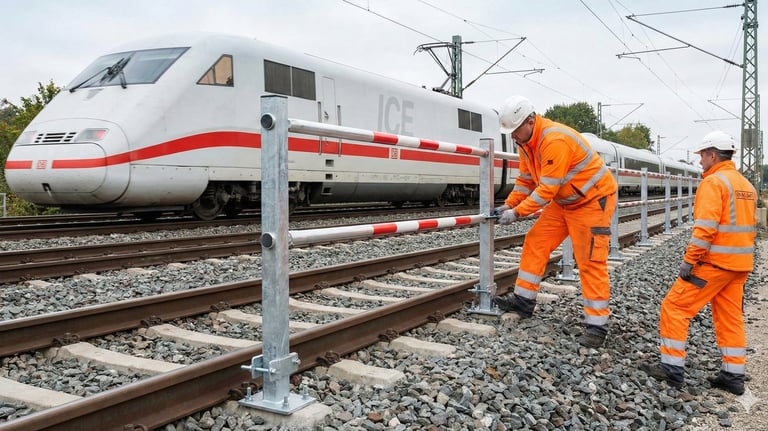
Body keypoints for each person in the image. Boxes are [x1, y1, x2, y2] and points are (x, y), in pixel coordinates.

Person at [492, 95, 618, 348]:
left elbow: (546, 190)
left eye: (515, 130)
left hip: (592, 202)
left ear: (530, 122)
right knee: (536, 241)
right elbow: (526, 181)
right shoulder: (526, 142)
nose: (512, 136)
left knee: (590, 261)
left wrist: (517, 213)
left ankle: (597, 327)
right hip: (565, 202)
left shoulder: (554, 140)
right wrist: (509, 204)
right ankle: (523, 301)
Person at [639, 131, 757, 394]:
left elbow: (705, 229)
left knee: (674, 307)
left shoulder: (714, 183)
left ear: (713, 155)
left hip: (714, 264)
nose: (700, 161)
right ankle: (733, 376)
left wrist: (689, 261)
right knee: (730, 318)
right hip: (739, 265)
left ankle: (671, 369)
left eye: (702, 156)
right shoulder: (746, 185)